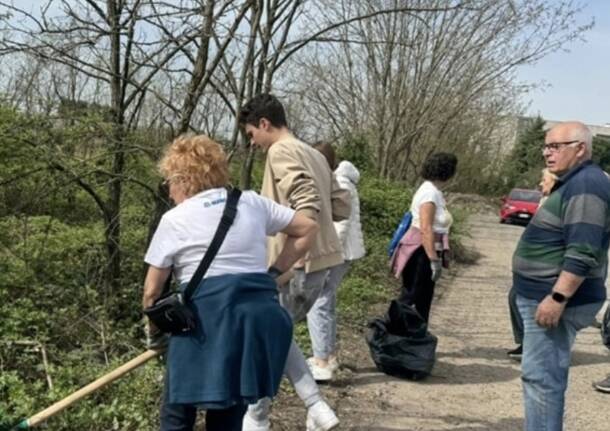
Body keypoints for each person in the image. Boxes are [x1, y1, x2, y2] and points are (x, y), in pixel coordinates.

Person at [142, 135, 319, 431]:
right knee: (228, 413)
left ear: (183, 179)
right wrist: (272, 274)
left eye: (169, 182)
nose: (169, 191)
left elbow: (151, 292)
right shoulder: (251, 202)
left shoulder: (174, 219)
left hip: (201, 323)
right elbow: (307, 229)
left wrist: (154, 335)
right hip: (248, 325)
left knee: (177, 412)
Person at [239, 94, 350, 431]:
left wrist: (284, 263)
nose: (253, 144)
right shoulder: (314, 154)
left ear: (263, 124)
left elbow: (307, 203)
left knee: (265, 338)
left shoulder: (281, 150)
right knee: (276, 334)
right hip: (324, 262)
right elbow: (342, 205)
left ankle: (258, 417)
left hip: (297, 264)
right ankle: (315, 407)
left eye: (251, 135)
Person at [512, 121, 609, 430]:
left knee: (542, 379)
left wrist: (557, 297)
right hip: (545, 294)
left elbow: (583, 250)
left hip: (555, 299)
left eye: (555, 146)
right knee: (539, 376)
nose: (547, 153)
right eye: (546, 146)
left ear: (580, 149)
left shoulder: (587, 185)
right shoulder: (574, 181)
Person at [308, 142, 366, 381]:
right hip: (342, 253)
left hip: (337, 253)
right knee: (327, 300)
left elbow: (340, 226)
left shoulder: (339, 183)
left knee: (317, 302)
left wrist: (325, 254)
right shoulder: (343, 180)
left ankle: (321, 361)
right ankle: (328, 355)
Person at [391, 152, 458, 323]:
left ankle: (418, 340)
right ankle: (387, 333)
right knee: (411, 295)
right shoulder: (429, 193)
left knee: (424, 298)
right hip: (420, 251)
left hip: (427, 249)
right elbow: (426, 228)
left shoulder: (435, 192)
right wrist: (433, 260)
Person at [507, 168, 559, 361]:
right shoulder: (544, 202)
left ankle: (537, 347)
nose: (540, 183)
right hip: (532, 266)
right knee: (515, 298)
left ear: (554, 182)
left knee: (531, 302)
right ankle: (526, 342)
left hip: (547, 267)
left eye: (544, 179)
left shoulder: (558, 203)